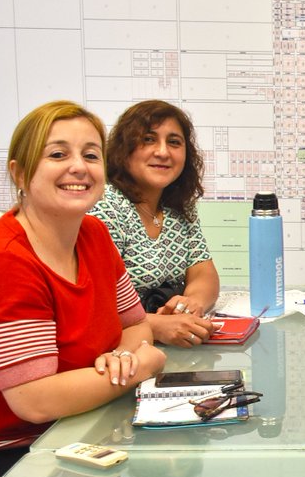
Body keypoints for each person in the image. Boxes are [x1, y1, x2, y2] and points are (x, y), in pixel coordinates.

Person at [0, 100, 167, 477]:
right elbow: (34, 399)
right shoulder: (2, 262)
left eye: (90, 155)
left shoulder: (93, 235)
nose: (78, 167)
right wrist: (142, 365)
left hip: (57, 432)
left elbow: (135, 325)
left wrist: (122, 354)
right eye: (58, 154)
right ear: (21, 174)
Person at [90, 100, 219, 347]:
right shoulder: (106, 204)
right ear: (123, 150)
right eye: (148, 139)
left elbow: (204, 273)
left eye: (174, 142)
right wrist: (156, 325)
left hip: (164, 348)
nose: (163, 152)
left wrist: (190, 304)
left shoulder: (180, 206)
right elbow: (93, 305)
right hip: (115, 351)